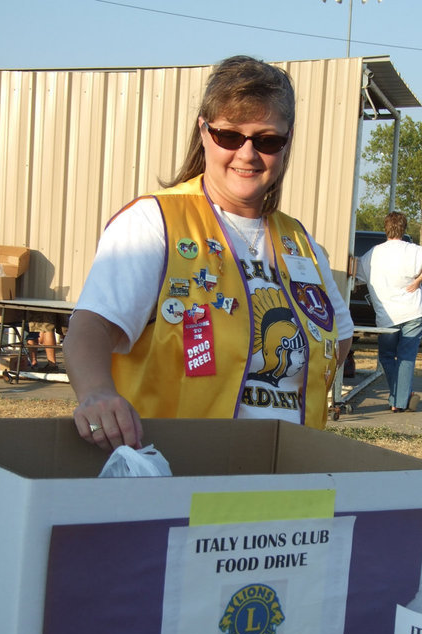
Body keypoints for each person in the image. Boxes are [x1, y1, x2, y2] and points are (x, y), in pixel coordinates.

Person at [64, 55, 353, 451]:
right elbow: (91, 327)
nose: (248, 154)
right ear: (204, 131)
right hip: (179, 472)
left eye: (267, 140)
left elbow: (338, 337)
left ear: (287, 143)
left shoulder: (301, 243)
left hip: (286, 474)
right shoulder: (155, 222)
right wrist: (96, 392)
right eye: (230, 136)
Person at [356, 212, 422, 412]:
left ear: (385, 228)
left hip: (387, 315)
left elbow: (357, 274)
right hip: (414, 309)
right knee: (406, 357)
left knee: (387, 356)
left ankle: (399, 397)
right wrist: (418, 280)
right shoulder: (413, 250)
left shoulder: (372, 254)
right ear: (404, 229)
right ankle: (401, 400)